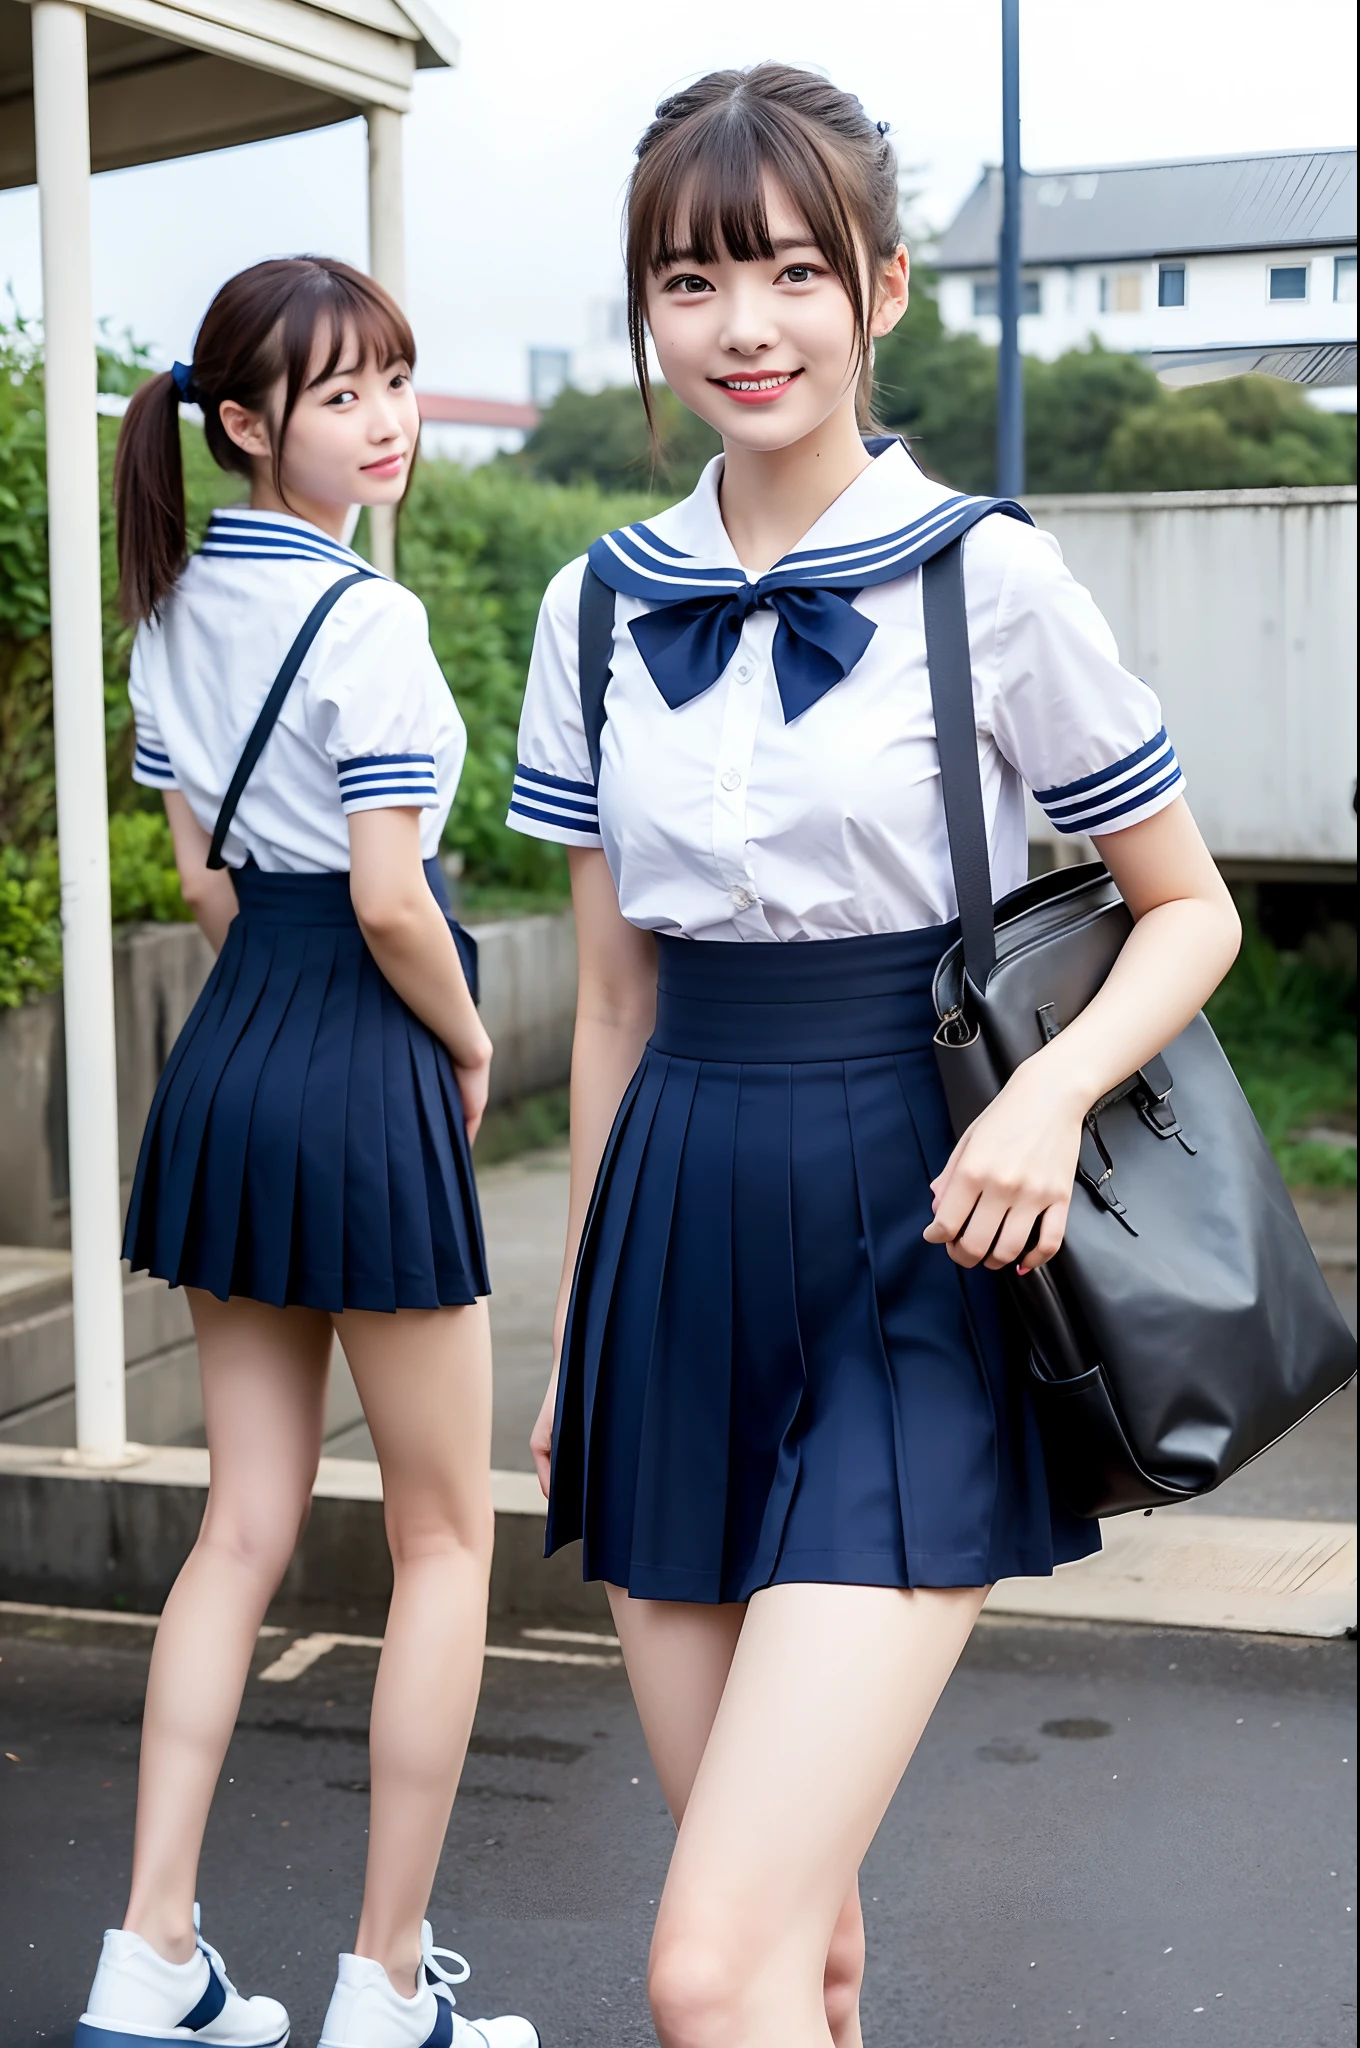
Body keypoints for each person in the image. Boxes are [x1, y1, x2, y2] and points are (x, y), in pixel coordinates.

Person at [512, 66, 1242, 2048]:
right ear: (643, 310)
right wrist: (576, 1324)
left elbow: (1187, 907)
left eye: (783, 269)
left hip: (914, 1249)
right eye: (687, 277)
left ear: (880, 288)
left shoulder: (982, 578)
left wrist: (1043, 1084)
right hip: (671, 1249)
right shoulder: (593, 610)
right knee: (798, 1947)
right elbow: (609, 1003)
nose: (739, 324)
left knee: (700, 1968)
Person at [76, 257, 537, 2048]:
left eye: (398, 382)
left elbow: (205, 882)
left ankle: (150, 1956)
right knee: (440, 1541)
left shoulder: (171, 607)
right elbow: (388, 896)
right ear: (249, 425)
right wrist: (475, 1036)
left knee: (239, 1530)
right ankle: (384, 1986)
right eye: (345, 395)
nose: (389, 420)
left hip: (228, 1060)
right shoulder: (376, 626)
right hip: (362, 1055)